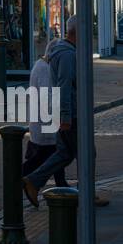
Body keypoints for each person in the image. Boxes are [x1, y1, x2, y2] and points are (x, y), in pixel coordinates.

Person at [22, 18, 78, 207]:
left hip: (48, 123)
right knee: (62, 154)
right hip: (49, 124)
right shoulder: (54, 64)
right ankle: (28, 180)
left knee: (62, 154)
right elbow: (58, 92)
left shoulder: (43, 64)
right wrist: (64, 116)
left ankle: (40, 182)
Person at [21, 49, 69, 188]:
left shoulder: (41, 65)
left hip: (42, 124)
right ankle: (18, 180)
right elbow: (47, 96)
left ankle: (61, 184)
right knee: (46, 156)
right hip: (45, 124)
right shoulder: (45, 69)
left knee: (54, 154)